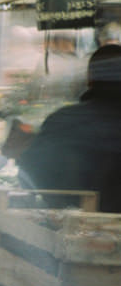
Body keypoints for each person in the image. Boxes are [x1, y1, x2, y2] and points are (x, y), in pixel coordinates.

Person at [18, 43, 121, 213]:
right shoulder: (63, 121)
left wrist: (65, 207)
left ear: (89, 79)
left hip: (73, 227)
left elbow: (32, 172)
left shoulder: (63, 121)